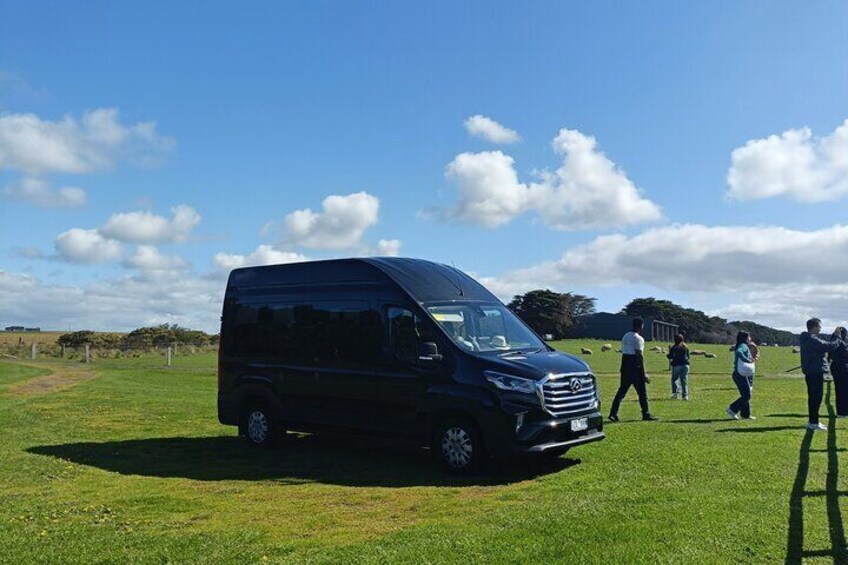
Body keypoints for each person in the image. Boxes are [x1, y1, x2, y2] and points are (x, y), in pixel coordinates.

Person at [609, 318, 658, 422]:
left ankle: (613, 413)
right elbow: (639, 354)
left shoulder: (626, 336)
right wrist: (643, 372)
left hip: (625, 363)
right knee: (642, 392)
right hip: (634, 364)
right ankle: (646, 413)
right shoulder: (639, 338)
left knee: (622, 390)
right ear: (641, 326)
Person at [800, 318, 840, 431]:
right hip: (814, 372)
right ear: (814, 327)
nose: (820, 329)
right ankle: (813, 423)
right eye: (819, 327)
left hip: (812, 371)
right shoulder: (811, 339)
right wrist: (837, 337)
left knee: (815, 398)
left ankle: (814, 421)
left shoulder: (808, 338)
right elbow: (828, 346)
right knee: (815, 398)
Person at [727, 331, 756, 420]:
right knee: (747, 395)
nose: (750, 338)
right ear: (745, 338)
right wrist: (746, 359)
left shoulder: (741, 345)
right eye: (749, 337)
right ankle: (732, 409)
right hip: (740, 375)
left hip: (739, 374)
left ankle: (745, 415)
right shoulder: (743, 346)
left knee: (745, 395)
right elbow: (739, 352)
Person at [827, 326, 848, 418]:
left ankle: (842, 411)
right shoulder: (841, 343)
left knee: (840, 390)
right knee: (842, 391)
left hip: (836, 368)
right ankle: (842, 412)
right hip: (842, 369)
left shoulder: (834, 342)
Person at [667, 334, 690, 400]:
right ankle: (685, 396)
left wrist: (668, 355)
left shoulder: (674, 347)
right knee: (684, 380)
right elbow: (688, 356)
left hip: (677, 365)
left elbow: (671, 356)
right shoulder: (685, 347)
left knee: (674, 379)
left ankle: (675, 394)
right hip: (685, 365)